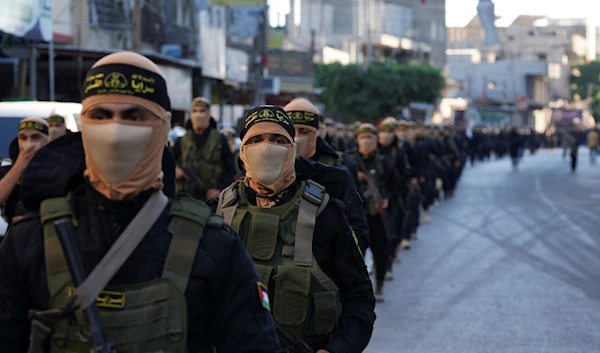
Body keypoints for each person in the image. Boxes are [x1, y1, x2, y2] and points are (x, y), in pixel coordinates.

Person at [0, 51, 283, 353]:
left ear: (161, 126)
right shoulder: (29, 241)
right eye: (101, 115)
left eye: (134, 117)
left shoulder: (214, 247)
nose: (114, 132)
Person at [216, 106, 376, 353]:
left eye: (278, 140)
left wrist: (337, 349)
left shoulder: (326, 215)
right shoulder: (216, 213)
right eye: (255, 140)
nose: (266, 147)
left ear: (292, 149)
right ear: (242, 151)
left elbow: (359, 296)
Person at [283, 98, 369, 252]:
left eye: (304, 131)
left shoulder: (339, 168)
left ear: (317, 132)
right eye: (291, 131)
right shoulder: (270, 169)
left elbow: (357, 225)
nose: (296, 137)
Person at [350, 123, 395, 302]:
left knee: (380, 251)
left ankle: (379, 284)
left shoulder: (383, 161)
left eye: (370, 138)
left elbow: (394, 184)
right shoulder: (350, 160)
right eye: (363, 138)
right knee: (355, 252)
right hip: (356, 213)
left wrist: (386, 200)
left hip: (377, 214)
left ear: (376, 141)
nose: (366, 141)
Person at [172, 97, 236, 200]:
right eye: (194, 111)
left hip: (211, 196)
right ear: (191, 115)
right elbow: (168, 163)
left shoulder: (220, 139)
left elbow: (230, 169)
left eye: (202, 111)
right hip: (186, 196)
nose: (198, 115)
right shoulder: (182, 140)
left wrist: (219, 189)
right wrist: (176, 171)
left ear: (209, 114)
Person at [0, 117, 50, 228]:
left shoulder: (59, 168)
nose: (29, 143)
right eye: (23, 138)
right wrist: (20, 164)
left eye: (36, 137)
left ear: (48, 140)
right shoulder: (7, 170)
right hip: (15, 235)